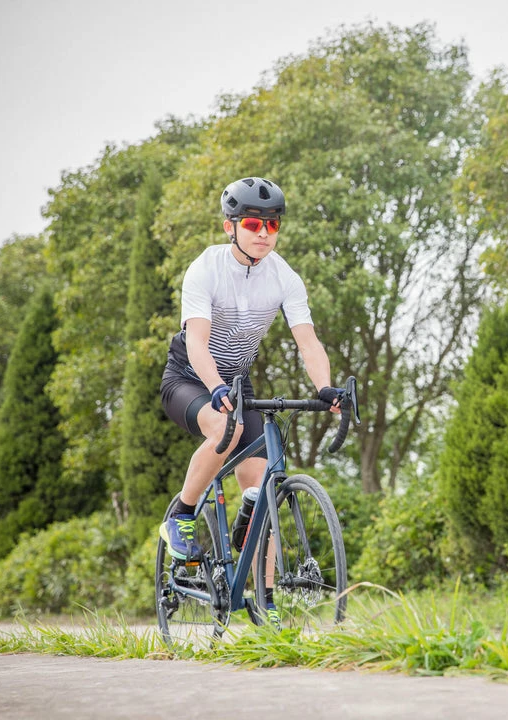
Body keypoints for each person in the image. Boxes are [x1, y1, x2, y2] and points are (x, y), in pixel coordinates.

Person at [158, 176, 342, 623]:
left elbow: (308, 342)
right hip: (189, 376)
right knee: (228, 426)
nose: (264, 233)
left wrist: (324, 388)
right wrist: (216, 388)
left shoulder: (284, 277)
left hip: (237, 381)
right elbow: (197, 343)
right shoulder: (206, 268)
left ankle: (267, 601)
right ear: (230, 227)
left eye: (272, 225)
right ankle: (181, 514)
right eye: (254, 224)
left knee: (264, 490)